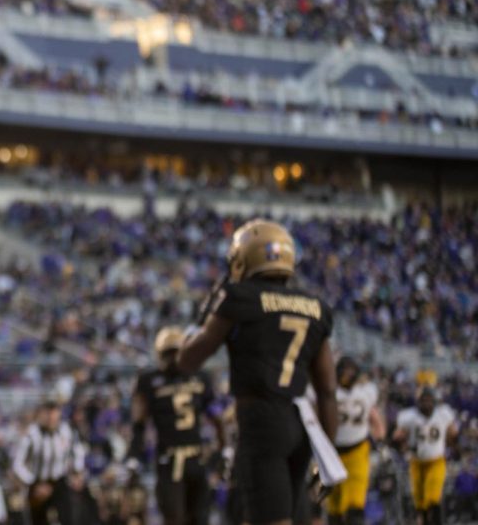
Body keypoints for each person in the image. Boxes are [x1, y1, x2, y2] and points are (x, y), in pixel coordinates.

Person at [178, 219, 338, 525]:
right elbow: (328, 391)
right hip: (300, 423)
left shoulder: (241, 298)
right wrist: (326, 455)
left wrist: (207, 313)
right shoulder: (315, 306)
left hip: (261, 423)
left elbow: (188, 360)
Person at [132, 326, 224, 525]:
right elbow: (218, 418)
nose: (173, 358)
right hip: (172, 460)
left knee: (198, 517)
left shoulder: (200, 377)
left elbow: (217, 417)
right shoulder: (149, 380)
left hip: (190, 459)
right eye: (169, 353)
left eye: (176, 352)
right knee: (176, 518)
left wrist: (222, 450)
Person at [11, 397, 86, 525]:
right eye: (47, 413)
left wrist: (77, 471)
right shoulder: (31, 435)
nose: (51, 418)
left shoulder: (66, 431)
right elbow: (17, 464)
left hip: (60, 481)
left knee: (69, 517)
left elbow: (77, 451)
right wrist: (33, 482)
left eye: (54, 413)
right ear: (40, 414)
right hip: (38, 483)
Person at [326, 356, 383, 525]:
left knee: (355, 504)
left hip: (357, 450)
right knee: (334, 506)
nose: (348, 375)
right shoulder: (364, 391)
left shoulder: (362, 393)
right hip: (332, 452)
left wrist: (379, 440)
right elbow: (377, 422)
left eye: (351, 371)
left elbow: (375, 420)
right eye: (345, 370)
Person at [392, 383, 458, 525]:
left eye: (429, 399)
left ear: (434, 401)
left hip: (436, 461)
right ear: (418, 401)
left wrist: (452, 445)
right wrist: (402, 445)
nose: (426, 403)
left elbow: (453, 433)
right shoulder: (409, 416)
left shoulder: (443, 413)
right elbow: (397, 437)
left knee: (433, 499)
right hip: (416, 462)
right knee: (419, 502)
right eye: (423, 400)